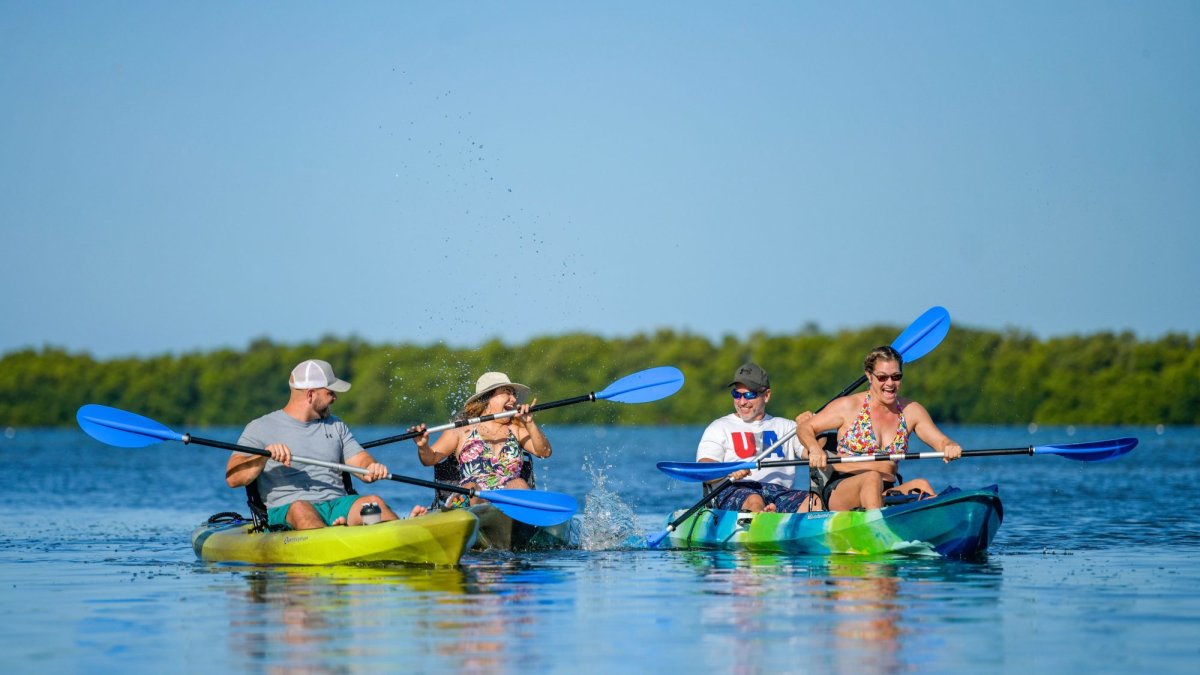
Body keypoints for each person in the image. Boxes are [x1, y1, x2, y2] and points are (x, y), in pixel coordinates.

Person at [226, 359, 426, 530]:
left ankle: (403, 532)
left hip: (338, 505)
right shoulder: (260, 427)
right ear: (310, 395)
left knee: (373, 503)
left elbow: (360, 461)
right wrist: (262, 456)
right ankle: (332, 536)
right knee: (301, 509)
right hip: (289, 510)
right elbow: (233, 478)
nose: (335, 398)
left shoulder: (336, 425)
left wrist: (371, 467)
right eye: (330, 392)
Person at [796, 345, 963, 511]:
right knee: (872, 479)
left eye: (896, 377)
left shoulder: (911, 410)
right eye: (882, 377)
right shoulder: (848, 406)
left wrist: (949, 445)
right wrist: (814, 448)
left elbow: (941, 441)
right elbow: (805, 428)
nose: (890, 383)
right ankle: (878, 525)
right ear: (869, 376)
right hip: (842, 488)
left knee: (921, 484)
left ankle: (936, 524)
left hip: (885, 488)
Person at [410, 372, 552, 506]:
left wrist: (529, 423)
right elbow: (430, 459)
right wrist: (423, 446)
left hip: (509, 502)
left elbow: (544, 452)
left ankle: (521, 518)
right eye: (507, 393)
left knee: (519, 484)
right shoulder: (460, 430)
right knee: (471, 488)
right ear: (486, 398)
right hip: (472, 501)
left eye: (514, 394)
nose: (514, 399)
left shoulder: (517, 429)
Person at [696, 363, 823, 513]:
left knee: (816, 502)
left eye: (749, 395)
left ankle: (772, 514)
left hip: (779, 493)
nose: (742, 402)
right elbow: (704, 468)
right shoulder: (718, 427)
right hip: (735, 489)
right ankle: (763, 516)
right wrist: (730, 471)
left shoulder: (788, 427)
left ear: (766, 395)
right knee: (754, 500)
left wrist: (815, 426)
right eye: (736, 394)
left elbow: (815, 453)